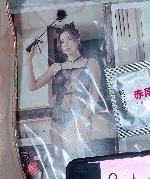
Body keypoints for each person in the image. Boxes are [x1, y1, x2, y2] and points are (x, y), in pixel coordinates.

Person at [26, 23, 102, 158]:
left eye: (69, 39)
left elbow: (94, 95)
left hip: (81, 117)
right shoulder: (55, 67)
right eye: (62, 41)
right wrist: (29, 60)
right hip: (58, 119)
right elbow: (33, 86)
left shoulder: (91, 63)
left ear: (77, 40)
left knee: (78, 157)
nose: (65, 44)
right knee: (60, 159)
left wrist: (81, 120)